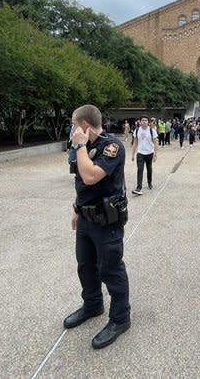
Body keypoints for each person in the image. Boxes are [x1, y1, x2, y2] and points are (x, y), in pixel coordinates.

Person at [64, 104, 131, 349]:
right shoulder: (85, 147)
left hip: (106, 221)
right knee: (85, 266)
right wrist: (76, 208)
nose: (72, 130)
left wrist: (80, 145)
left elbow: (92, 175)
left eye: (74, 125)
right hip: (85, 218)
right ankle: (92, 305)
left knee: (111, 269)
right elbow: (81, 181)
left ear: (83, 126)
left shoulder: (111, 146)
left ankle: (121, 318)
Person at [131, 116, 158, 195]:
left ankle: (149, 182)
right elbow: (135, 143)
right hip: (140, 153)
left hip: (150, 153)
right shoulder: (137, 131)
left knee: (149, 168)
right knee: (140, 169)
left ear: (148, 122)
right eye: (142, 120)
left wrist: (156, 154)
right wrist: (133, 154)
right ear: (140, 122)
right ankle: (139, 188)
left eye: (146, 120)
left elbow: (156, 142)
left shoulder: (152, 131)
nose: (144, 121)